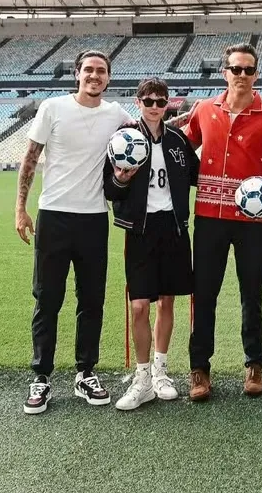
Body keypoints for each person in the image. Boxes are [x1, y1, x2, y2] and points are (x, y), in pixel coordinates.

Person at [15, 50, 136, 415]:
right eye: (88, 70)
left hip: (94, 219)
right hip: (53, 216)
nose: (94, 76)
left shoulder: (116, 115)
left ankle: (86, 372)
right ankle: (41, 377)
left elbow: (151, 126)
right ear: (77, 74)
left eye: (101, 71)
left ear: (109, 78)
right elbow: (31, 158)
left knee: (91, 301)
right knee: (47, 299)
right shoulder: (52, 108)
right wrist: (20, 208)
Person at [183, 42, 262, 402]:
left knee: (251, 294)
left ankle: (254, 364)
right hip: (209, 217)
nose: (242, 75)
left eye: (248, 69)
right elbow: (180, 149)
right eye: (235, 69)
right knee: (204, 293)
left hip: (253, 222)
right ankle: (199, 368)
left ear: (255, 74)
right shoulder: (203, 110)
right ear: (224, 72)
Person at [103, 77, 199, 411]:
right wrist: (120, 179)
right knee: (140, 305)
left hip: (172, 226)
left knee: (167, 303)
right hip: (140, 230)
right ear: (138, 102)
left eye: (161, 102)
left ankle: (161, 371)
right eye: (149, 101)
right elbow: (110, 190)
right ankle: (141, 378)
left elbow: (197, 176)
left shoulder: (177, 139)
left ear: (168, 104)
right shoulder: (124, 138)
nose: (155, 107)